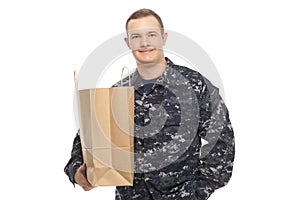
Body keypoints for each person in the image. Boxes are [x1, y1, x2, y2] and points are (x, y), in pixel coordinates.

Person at [64, 8, 235, 200]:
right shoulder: (116, 93)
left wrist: (197, 193)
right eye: (136, 36)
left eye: (151, 35)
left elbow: (222, 142)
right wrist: (77, 172)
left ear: (163, 38)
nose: (144, 43)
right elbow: (86, 141)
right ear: (128, 43)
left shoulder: (195, 86)